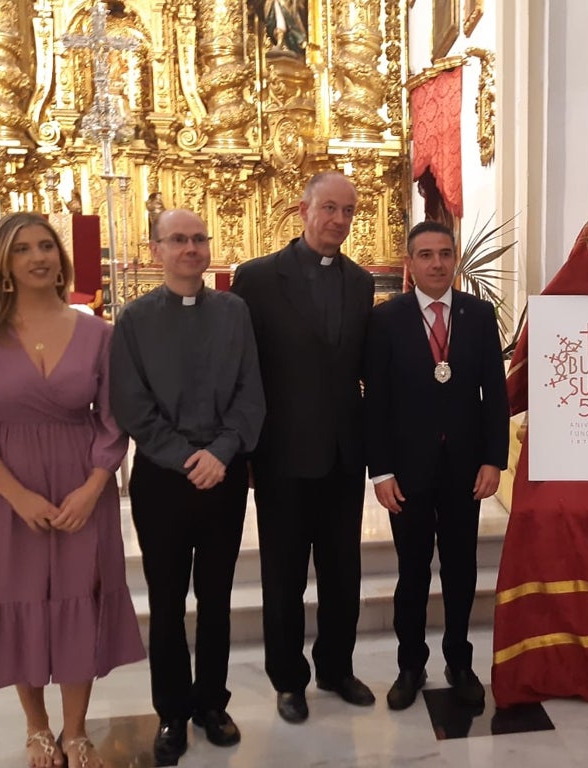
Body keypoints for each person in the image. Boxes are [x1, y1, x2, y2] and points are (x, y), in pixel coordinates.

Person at [0, 212, 144, 768]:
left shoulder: (99, 334)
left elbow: (113, 420)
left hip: (82, 484)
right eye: (23, 249)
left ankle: (76, 729)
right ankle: (37, 726)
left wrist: (94, 486)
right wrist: (18, 496)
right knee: (15, 597)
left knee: (80, 596)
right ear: (2, 263)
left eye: (46, 247)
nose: (39, 257)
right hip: (4, 490)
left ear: (61, 257)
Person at [110, 210, 265, 765]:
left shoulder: (234, 312)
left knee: (218, 597)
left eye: (199, 239)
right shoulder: (133, 320)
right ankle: (172, 711)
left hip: (222, 477)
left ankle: (212, 704)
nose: (191, 249)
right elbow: (131, 405)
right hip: (163, 479)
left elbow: (251, 392)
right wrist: (185, 456)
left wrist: (222, 452)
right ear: (156, 251)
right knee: (168, 600)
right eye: (178, 240)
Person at [231, 171, 376, 723]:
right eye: (329, 208)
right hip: (282, 454)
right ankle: (288, 679)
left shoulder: (362, 283)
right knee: (285, 574)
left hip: (342, 453)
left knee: (344, 570)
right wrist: (245, 450)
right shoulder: (258, 278)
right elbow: (243, 370)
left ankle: (337, 668)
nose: (339, 220)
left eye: (348, 211)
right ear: (304, 209)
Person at [363, 220, 509, 710]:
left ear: (455, 259)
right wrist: (381, 471)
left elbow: (495, 396)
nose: (436, 263)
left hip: (466, 470)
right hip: (407, 472)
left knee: (462, 568)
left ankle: (459, 661)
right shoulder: (387, 320)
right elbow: (375, 403)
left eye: (445, 253)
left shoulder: (478, 315)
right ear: (410, 263)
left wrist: (494, 459)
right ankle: (410, 664)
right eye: (425, 255)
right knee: (413, 572)